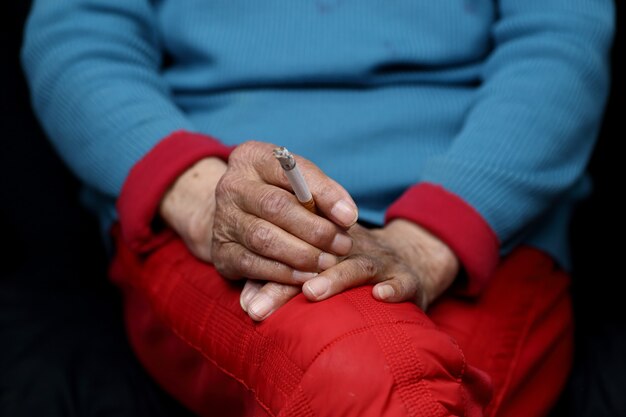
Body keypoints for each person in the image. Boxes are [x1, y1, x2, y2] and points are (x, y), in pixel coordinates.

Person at [20, 1, 614, 416]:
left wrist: (430, 241)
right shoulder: (220, 208)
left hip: (484, 226)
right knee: (364, 377)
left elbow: (560, 42)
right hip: (224, 213)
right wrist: (207, 202)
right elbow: (79, 38)